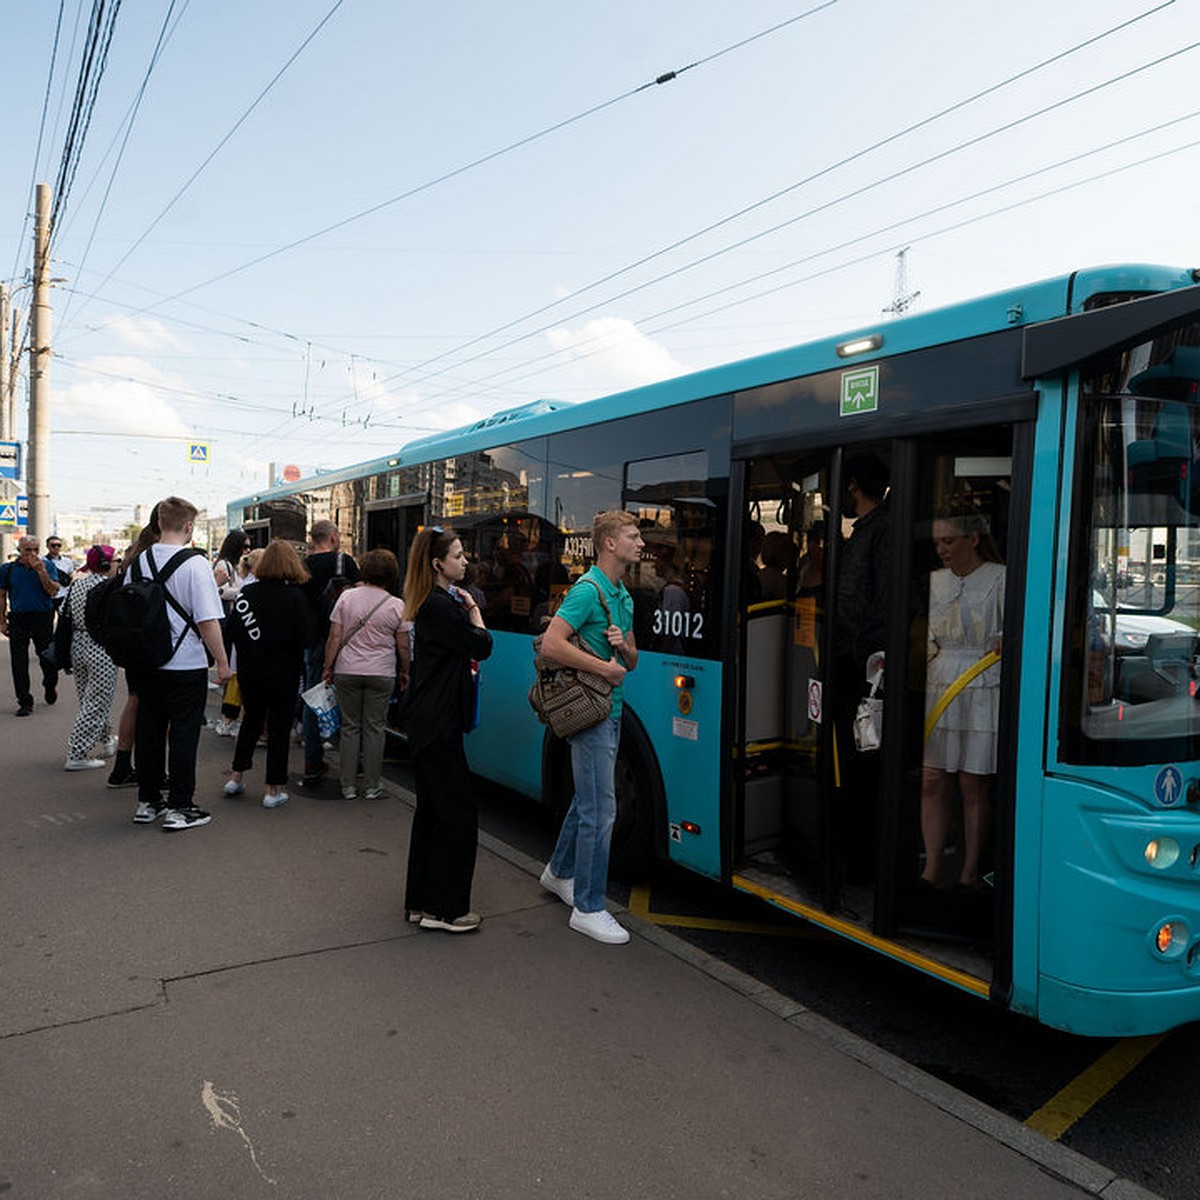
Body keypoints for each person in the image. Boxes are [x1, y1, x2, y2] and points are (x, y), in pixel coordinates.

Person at [538, 510, 641, 945]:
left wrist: (623, 648)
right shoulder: (587, 590)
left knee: (588, 802)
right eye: (633, 536)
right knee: (602, 810)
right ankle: (589, 907)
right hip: (591, 713)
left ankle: (558, 872)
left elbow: (632, 661)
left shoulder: (624, 596)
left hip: (610, 711)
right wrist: (604, 666)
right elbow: (551, 643)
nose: (642, 542)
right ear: (609, 544)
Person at [401, 527, 492, 933]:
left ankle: (421, 903)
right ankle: (447, 911)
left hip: (427, 720)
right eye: (458, 556)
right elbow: (482, 645)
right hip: (438, 724)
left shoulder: (429, 603)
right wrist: (473, 611)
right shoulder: (443, 607)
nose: (465, 561)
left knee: (432, 814)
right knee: (457, 816)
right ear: (438, 564)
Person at [129, 496, 232, 830]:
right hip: (184, 663)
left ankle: (148, 801)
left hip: (146, 662)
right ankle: (180, 806)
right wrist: (222, 662)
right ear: (189, 526)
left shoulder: (138, 561)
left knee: (149, 732)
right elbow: (207, 621)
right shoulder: (195, 564)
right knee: (184, 734)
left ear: (159, 522)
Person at [919, 511, 1005, 890]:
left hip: (984, 681)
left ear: (973, 539)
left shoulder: (1002, 578)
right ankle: (932, 867)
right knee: (933, 779)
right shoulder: (934, 581)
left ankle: (969, 871)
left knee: (974, 783)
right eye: (937, 543)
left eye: (948, 541)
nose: (940, 550)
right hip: (940, 682)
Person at [223, 540, 316, 808]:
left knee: (251, 722)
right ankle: (272, 789)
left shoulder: (247, 594)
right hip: (284, 673)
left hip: (251, 671)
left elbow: (231, 632)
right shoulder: (297, 598)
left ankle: (236, 776)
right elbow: (309, 637)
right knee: (278, 729)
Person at [323, 548, 409, 802]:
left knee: (350, 728)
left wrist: (328, 666)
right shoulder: (396, 605)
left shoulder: (347, 598)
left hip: (347, 671)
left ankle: (347, 786)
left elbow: (335, 636)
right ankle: (372, 786)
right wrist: (405, 671)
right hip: (381, 673)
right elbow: (404, 645)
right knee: (375, 728)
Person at [301, 519, 360, 785]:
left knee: (314, 696)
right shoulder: (343, 562)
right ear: (334, 537)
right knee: (349, 699)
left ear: (312, 539)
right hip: (343, 639)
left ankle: (313, 761)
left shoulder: (301, 566)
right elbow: (359, 599)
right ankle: (352, 761)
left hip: (311, 639)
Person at [106, 514, 162, 790]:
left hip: (130, 643)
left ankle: (121, 766)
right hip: (151, 644)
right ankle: (151, 770)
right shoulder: (153, 562)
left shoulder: (129, 564)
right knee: (155, 710)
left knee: (134, 700)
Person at [63, 545, 120, 771]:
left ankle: (106, 739)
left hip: (78, 645)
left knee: (89, 699)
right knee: (96, 702)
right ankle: (77, 753)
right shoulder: (108, 587)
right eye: (116, 560)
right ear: (105, 564)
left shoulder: (77, 584)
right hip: (101, 649)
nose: (119, 564)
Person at [0, 535, 62, 716]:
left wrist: (41, 571)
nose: (33, 554)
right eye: (28, 550)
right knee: (19, 661)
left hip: (42, 617)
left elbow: (52, 591)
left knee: (47, 659)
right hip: (19, 618)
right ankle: (25, 701)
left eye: (36, 550)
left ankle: (50, 686)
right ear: (20, 551)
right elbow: (2, 595)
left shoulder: (47, 566)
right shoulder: (8, 569)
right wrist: (2, 621)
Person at [210, 528, 250, 737]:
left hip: (231, 618)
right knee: (230, 671)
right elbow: (220, 590)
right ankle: (227, 717)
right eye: (244, 546)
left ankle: (228, 716)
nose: (247, 550)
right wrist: (243, 591)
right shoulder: (223, 565)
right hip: (226, 619)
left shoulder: (233, 566)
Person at [44, 535, 75, 606]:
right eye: (53, 545)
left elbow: (71, 577)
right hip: (48, 596)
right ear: (47, 546)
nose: (56, 547)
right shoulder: (42, 561)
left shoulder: (67, 561)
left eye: (59, 545)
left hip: (63, 596)